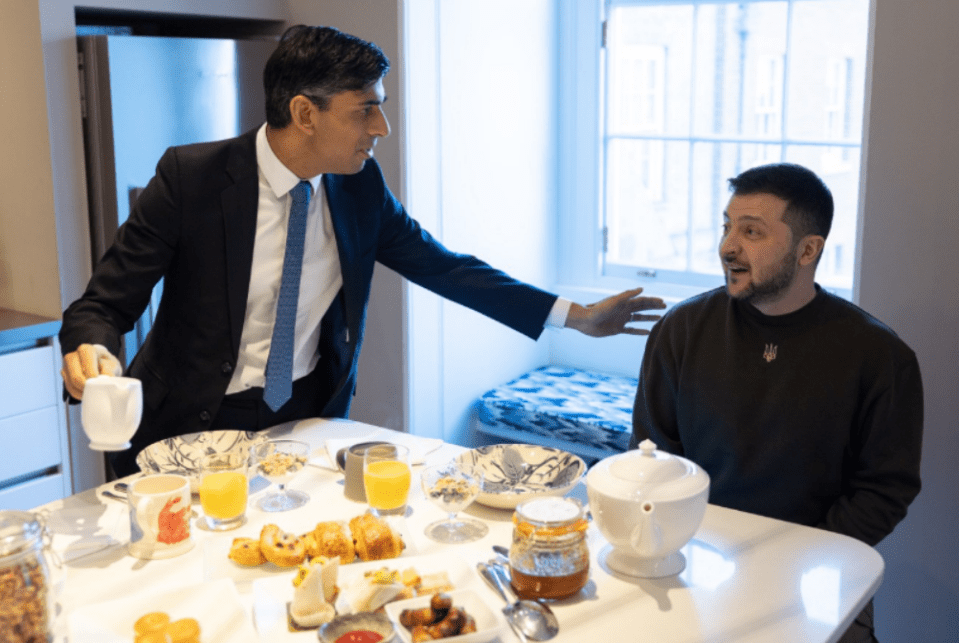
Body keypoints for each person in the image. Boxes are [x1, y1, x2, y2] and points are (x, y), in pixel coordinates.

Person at [59, 25, 665, 477]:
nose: (381, 128)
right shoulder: (191, 178)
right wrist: (89, 348)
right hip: (183, 428)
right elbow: (105, 304)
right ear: (304, 114)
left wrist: (573, 316)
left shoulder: (360, 188)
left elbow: (446, 268)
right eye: (365, 109)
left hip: (300, 423)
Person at [629, 163, 922, 643]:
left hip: (819, 578)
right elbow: (651, 455)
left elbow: (885, 488)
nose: (728, 246)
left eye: (751, 232)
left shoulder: (878, 355)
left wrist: (802, 557)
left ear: (808, 250)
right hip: (695, 566)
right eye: (727, 227)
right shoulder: (681, 331)